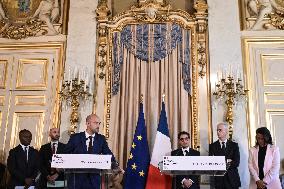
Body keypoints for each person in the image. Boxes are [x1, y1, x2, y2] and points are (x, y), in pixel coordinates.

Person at [65, 114, 119, 189]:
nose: (98, 125)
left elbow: (108, 154)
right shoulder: (76, 137)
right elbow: (65, 153)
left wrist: (116, 165)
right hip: (76, 179)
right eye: (96, 123)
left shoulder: (101, 139)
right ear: (88, 124)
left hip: (94, 180)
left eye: (99, 123)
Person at [209, 122, 241, 189]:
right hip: (219, 181)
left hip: (232, 180)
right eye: (217, 130)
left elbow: (236, 163)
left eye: (220, 130)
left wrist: (220, 161)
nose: (218, 132)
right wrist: (228, 160)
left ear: (226, 131)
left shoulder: (234, 145)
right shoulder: (212, 146)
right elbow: (212, 163)